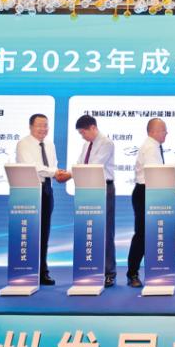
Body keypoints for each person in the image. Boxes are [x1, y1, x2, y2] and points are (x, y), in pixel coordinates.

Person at [56, 115, 117, 287]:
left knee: (105, 231)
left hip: (103, 188)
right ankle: (91, 269)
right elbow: (79, 164)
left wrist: (68, 175)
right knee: (90, 230)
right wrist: (67, 173)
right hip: (87, 189)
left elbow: (93, 166)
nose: (82, 136)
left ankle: (109, 272)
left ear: (92, 128)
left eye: (83, 132)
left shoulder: (106, 143)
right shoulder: (86, 145)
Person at [14, 113, 67, 286]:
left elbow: (53, 166)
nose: (43, 129)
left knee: (44, 232)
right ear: (31, 127)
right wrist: (55, 172)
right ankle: (26, 270)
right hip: (29, 190)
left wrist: (57, 173)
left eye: (46, 125)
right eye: (39, 125)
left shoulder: (50, 144)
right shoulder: (23, 144)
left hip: (46, 189)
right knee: (29, 232)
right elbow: (33, 167)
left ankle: (42, 272)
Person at [128, 117, 168, 289]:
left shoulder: (153, 146)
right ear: (153, 131)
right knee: (142, 235)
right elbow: (155, 174)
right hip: (146, 192)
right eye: (164, 130)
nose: (166, 133)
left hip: (148, 191)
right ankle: (132, 273)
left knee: (146, 235)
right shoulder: (151, 148)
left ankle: (142, 272)